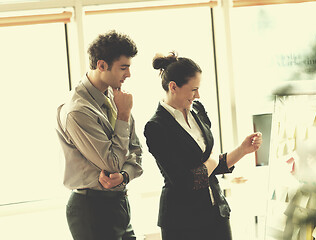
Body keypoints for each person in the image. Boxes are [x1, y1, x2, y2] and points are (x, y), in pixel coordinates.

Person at [143, 52, 262, 240]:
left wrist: (242, 150)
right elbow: (186, 182)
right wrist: (213, 160)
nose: (198, 95)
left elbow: (209, 168)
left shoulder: (197, 111)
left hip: (216, 214)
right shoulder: (156, 127)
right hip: (182, 223)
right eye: (193, 89)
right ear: (173, 87)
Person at [56, 30, 143, 240]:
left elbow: (136, 153)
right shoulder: (78, 110)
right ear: (102, 65)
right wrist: (124, 115)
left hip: (118, 203)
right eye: (123, 68)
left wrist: (124, 176)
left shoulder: (116, 97)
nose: (128, 74)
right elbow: (112, 162)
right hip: (91, 209)